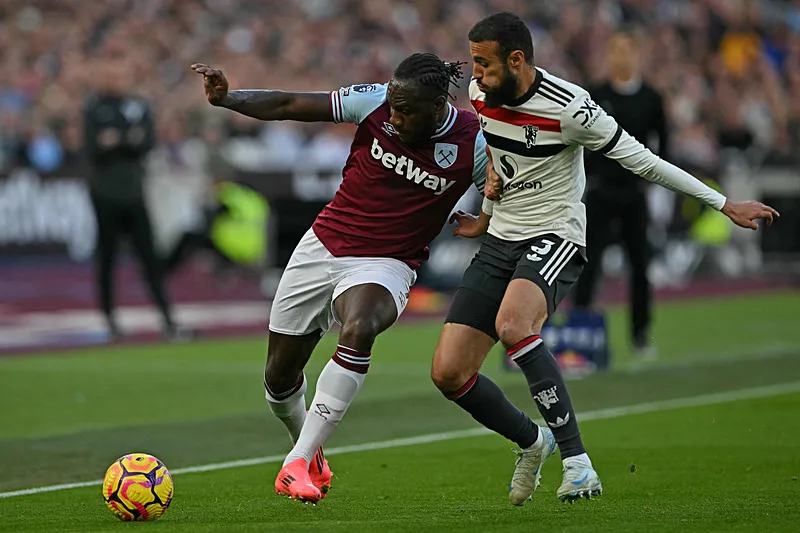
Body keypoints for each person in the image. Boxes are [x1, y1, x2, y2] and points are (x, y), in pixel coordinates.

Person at [432, 12, 779, 506]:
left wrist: (723, 203)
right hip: (501, 239)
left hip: (555, 233)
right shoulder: (482, 94)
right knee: (448, 372)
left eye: (484, 63)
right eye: (473, 63)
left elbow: (646, 161)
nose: (476, 75)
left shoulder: (571, 107)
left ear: (517, 60)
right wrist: (485, 217)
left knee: (514, 325)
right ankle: (533, 442)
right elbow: (499, 160)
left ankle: (578, 464)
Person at [192, 52, 501, 504]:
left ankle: (296, 461)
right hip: (322, 245)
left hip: (387, 262)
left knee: (359, 327)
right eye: (392, 107)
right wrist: (228, 99)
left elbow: (506, 197)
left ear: (438, 106)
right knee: (278, 381)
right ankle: (310, 452)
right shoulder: (374, 101)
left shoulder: (474, 142)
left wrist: (485, 219)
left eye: (405, 111)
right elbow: (289, 105)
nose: (394, 118)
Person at [572, 29, 668, 358]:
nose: (620, 56)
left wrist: (657, 187)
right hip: (600, 192)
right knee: (588, 263)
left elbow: (663, 145)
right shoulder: (595, 94)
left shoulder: (651, 99)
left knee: (640, 265)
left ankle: (640, 334)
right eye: (615, 50)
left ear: (637, 54)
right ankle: (580, 331)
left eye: (627, 50)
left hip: (634, 193)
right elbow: (579, 142)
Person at [84, 48, 180, 341]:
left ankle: (167, 318)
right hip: (105, 193)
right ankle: (109, 319)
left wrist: (116, 140)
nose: (116, 79)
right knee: (107, 258)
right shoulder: (95, 107)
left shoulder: (137, 106)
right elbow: (94, 147)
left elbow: (146, 143)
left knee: (150, 257)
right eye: (111, 73)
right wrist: (127, 140)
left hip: (134, 193)